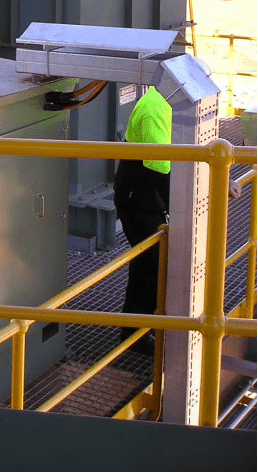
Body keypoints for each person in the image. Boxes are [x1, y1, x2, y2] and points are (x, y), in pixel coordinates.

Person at [113, 86, 172, 351]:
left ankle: (138, 328)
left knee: (149, 263)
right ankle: (135, 333)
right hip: (138, 199)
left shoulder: (175, 105)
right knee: (152, 263)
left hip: (146, 196)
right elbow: (161, 167)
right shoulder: (154, 108)